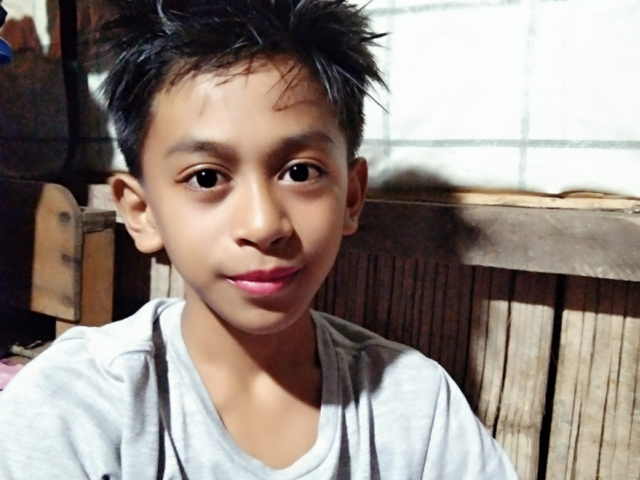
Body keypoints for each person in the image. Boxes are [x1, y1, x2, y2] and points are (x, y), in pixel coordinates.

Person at [0, 1, 518, 478]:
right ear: (142, 212)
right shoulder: (73, 409)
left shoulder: (419, 411)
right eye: (206, 177)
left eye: (300, 172)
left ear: (351, 197)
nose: (263, 224)